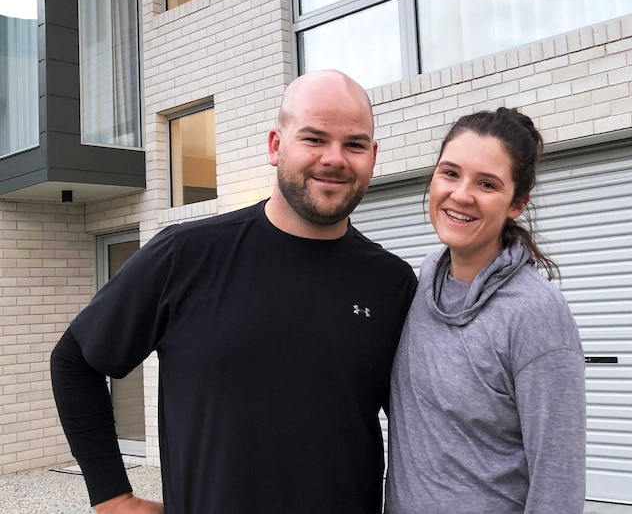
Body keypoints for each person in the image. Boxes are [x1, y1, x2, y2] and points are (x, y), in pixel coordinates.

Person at [50, 70, 418, 514]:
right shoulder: (186, 255)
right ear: (275, 145)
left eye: (354, 144)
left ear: (373, 156)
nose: (334, 158)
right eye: (314, 139)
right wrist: (111, 497)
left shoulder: (392, 284)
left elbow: (421, 425)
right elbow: (75, 361)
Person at [384, 107, 586, 514]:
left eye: (487, 184)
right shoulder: (421, 287)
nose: (461, 195)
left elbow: (558, 481)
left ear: (517, 203)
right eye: (450, 173)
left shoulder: (534, 313)